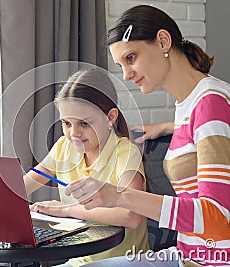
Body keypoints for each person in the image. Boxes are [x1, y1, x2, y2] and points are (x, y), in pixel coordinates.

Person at [64, 5, 230, 267]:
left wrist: (119, 196)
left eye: (131, 58)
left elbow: (214, 217)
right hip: (191, 255)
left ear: (163, 41)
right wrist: (168, 126)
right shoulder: (191, 104)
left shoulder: (211, 102)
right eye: (120, 65)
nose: (126, 75)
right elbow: (209, 129)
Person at [24, 69, 150, 266]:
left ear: (110, 117)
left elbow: (131, 216)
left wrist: (67, 210)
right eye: (67, 123)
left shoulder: (126, 153)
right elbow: (21, 187)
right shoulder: (63, 147)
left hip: (124, 261)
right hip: (80, 261)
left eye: (84, 123)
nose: (74, 133)